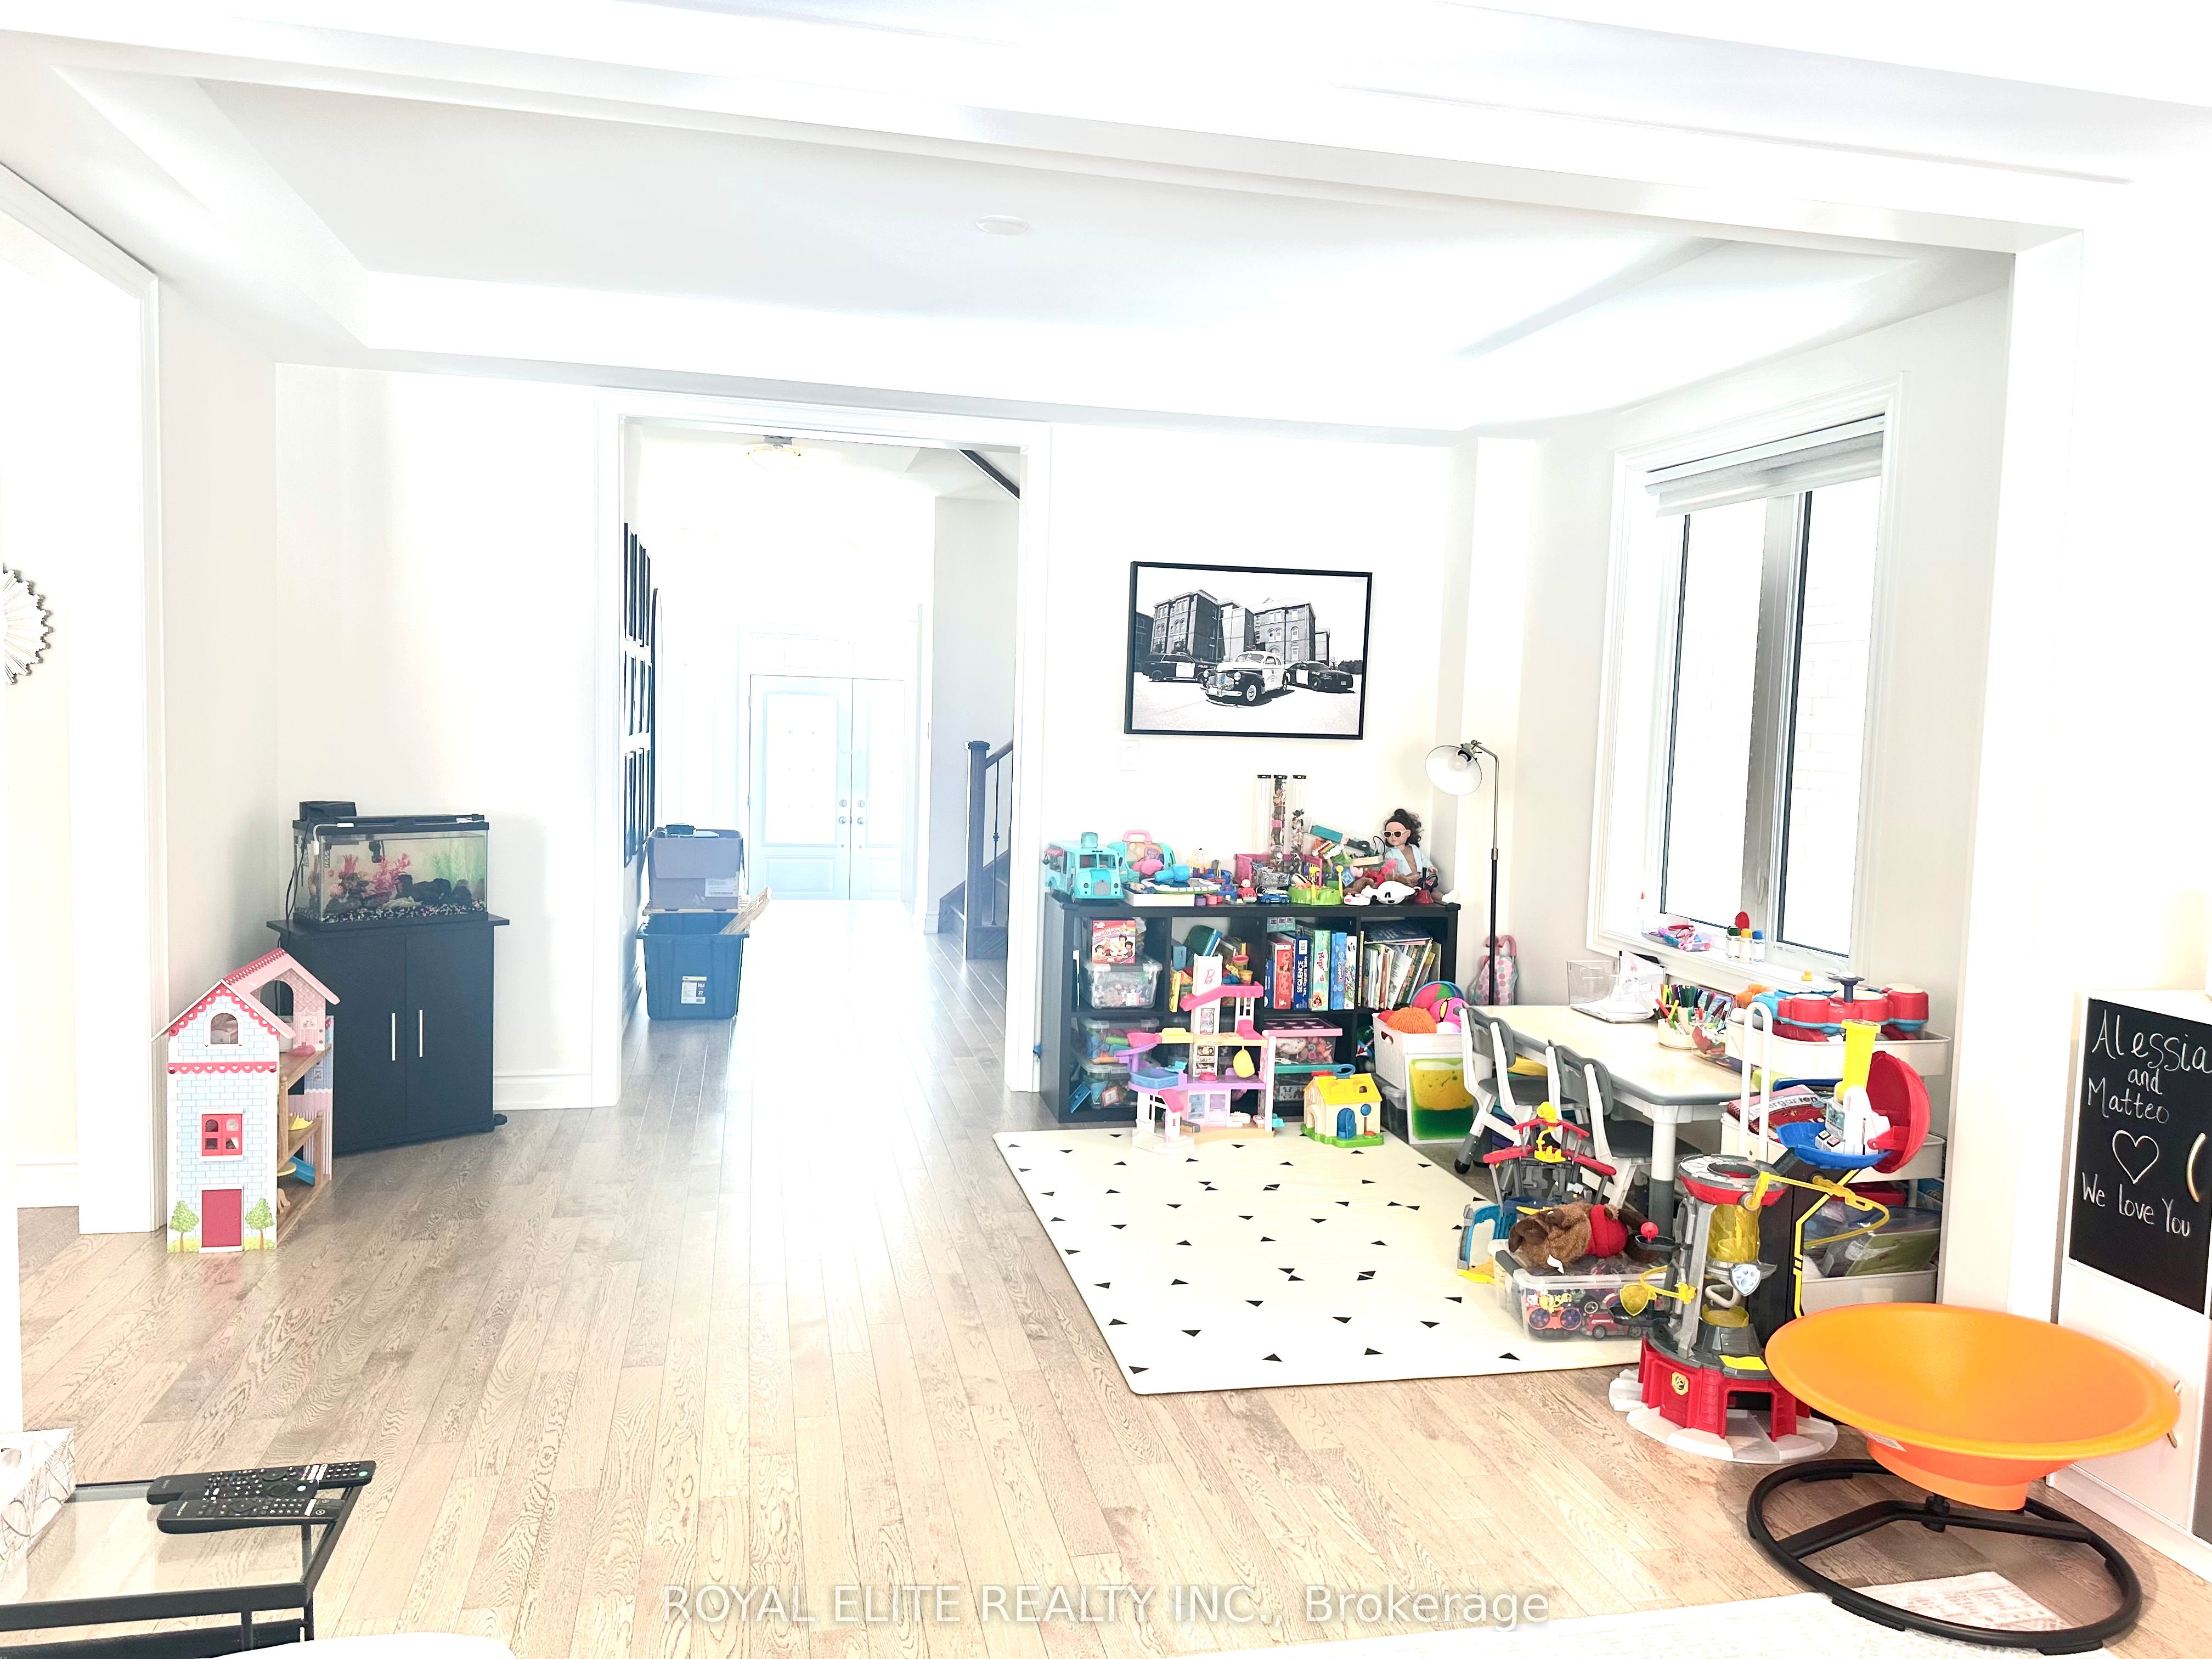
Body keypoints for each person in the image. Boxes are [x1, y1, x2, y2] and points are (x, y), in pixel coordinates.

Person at [1377, 808, 1434, 883]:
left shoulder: (1414, 849)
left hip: (1418, 878)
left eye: (1398, 833)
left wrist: (1430, 866)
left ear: (1408, 834)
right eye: (1388, 834)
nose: (1393, 837)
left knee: (1429, 887)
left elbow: (1423, 859)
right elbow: (1388, 869)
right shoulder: (1391, 854)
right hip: (1403, 881)